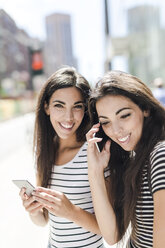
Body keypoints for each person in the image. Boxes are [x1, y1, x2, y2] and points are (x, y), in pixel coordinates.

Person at [19, 66, 110, 247]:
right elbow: (43, 221)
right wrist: (33, 210)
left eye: (77, 107)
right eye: (59, 106)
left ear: (85, 110)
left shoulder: (94, 152)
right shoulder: (44, 151)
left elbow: (110, 231)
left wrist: (70, 211)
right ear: (46, 107)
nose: (68, 118)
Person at [86, 70, 165, 248]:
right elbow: (112, 235)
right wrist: (95, 171)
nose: (116, 130)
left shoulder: (160, 156)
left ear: (145, 108)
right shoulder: (135, 160)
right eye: (106, 122)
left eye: (124, 115)